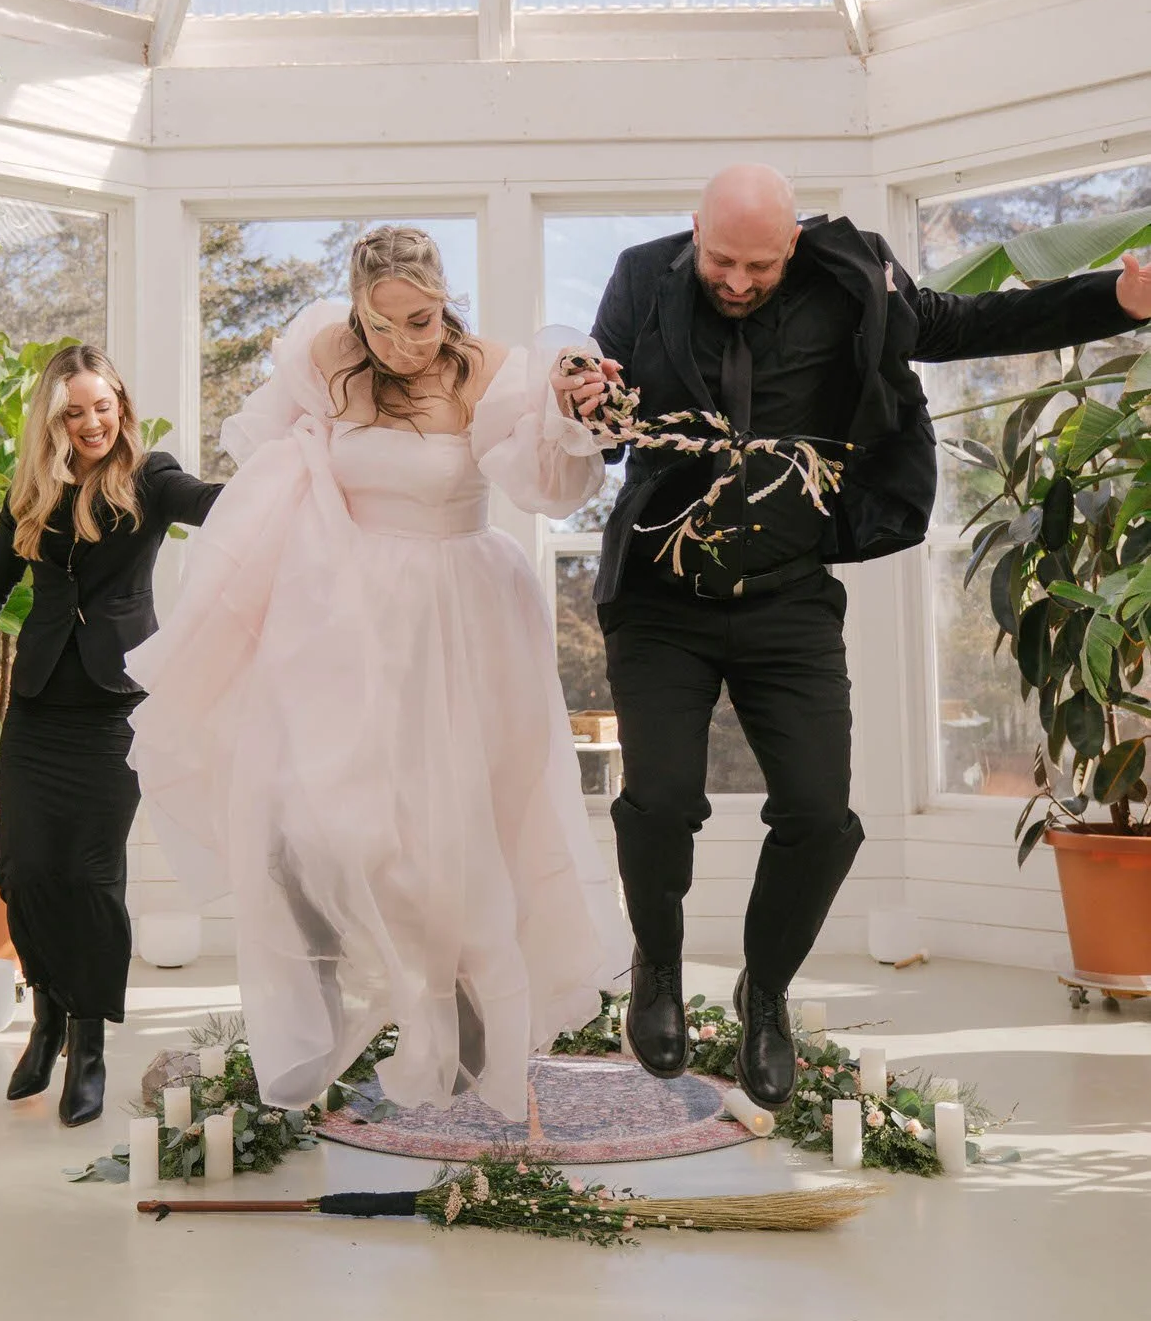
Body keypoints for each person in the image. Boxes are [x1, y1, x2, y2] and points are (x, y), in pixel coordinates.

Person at [574, 164, 1151, 1109]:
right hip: (660, 595)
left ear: (792, 241)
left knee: (818, 811)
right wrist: (584, 397)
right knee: (663, 797)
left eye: (760, 263)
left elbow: (970, 326)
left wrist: (1119, 298)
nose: (737, 280)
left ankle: (767, 994)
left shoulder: (855, 274)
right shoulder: (643, 277)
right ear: (693, 232)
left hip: (787, 596)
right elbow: (597, 414)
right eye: (721, 259)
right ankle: (661, 970)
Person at [124, 225, 628, 1122]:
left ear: (447, 299)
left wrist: (567, 413)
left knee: (456, 840)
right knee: (299, 816)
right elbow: (281, 471)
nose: (403, 344)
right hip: (343, 617)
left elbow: (548, 488)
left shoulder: (491, 372)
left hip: (460, 622)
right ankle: (328, 1000)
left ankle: (473, 1047)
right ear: (357, 310)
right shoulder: (324, 354)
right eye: (382, 326)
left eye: (422, 321)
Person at [0, 346, 221, 1127]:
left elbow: (211, 502)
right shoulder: (36, 491)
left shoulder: (150, 477)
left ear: (121, 401)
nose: (90, 422)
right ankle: (46, 1016)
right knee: (21, 869)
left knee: (89, 876)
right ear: (53, 419)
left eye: (101, 406)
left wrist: (290, 480)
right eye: (73, 411)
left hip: (115, 709)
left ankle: (88, 1045)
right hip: (40, 706)